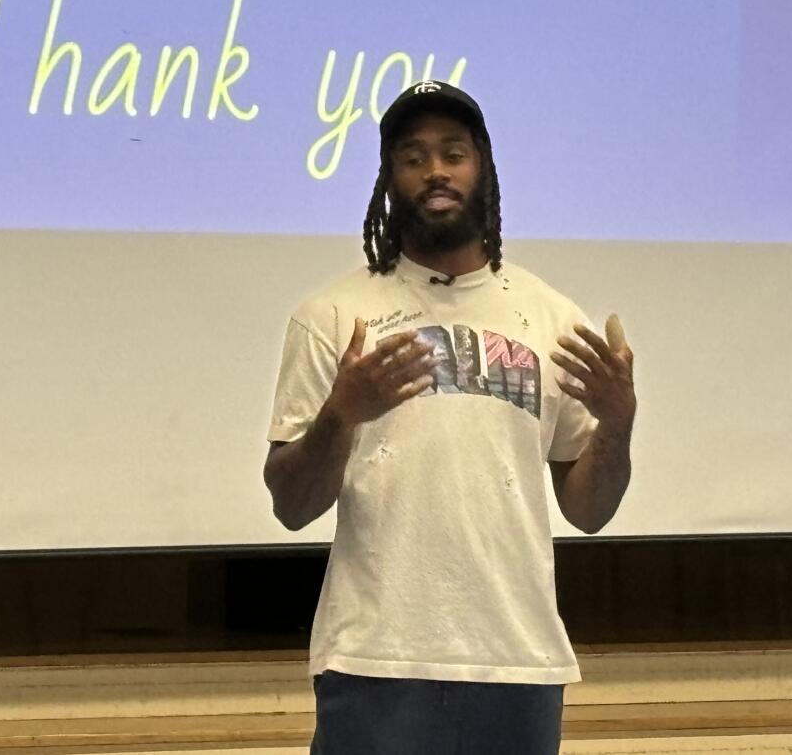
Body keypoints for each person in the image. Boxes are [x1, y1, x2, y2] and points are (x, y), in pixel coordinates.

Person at [264, 81, 637, 754]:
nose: (435, 170)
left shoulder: (553, 318)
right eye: (413, 157)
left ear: (483, 168)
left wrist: (617, 426)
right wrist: (340, 417)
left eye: (453, 153)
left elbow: (589, 509)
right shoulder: (332, 317)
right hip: (378, 660)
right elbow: (292, 504)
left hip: (517, 659)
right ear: (389, 179)